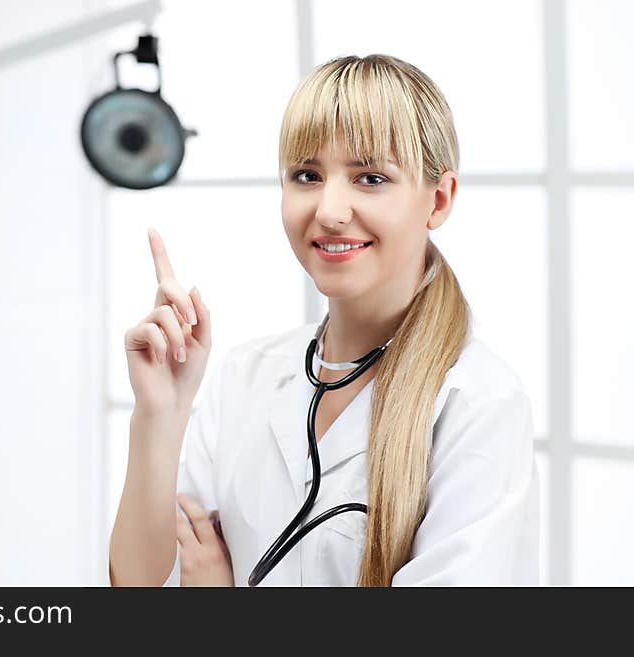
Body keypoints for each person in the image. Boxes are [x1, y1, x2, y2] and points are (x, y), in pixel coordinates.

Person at [108, 54, 539, 587]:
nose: (330, 210)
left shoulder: (478, 404)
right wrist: (160, 414)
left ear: (440, 199)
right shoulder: (246, 376)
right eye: (307, 175)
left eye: (371, 177)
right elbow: (142, 589)